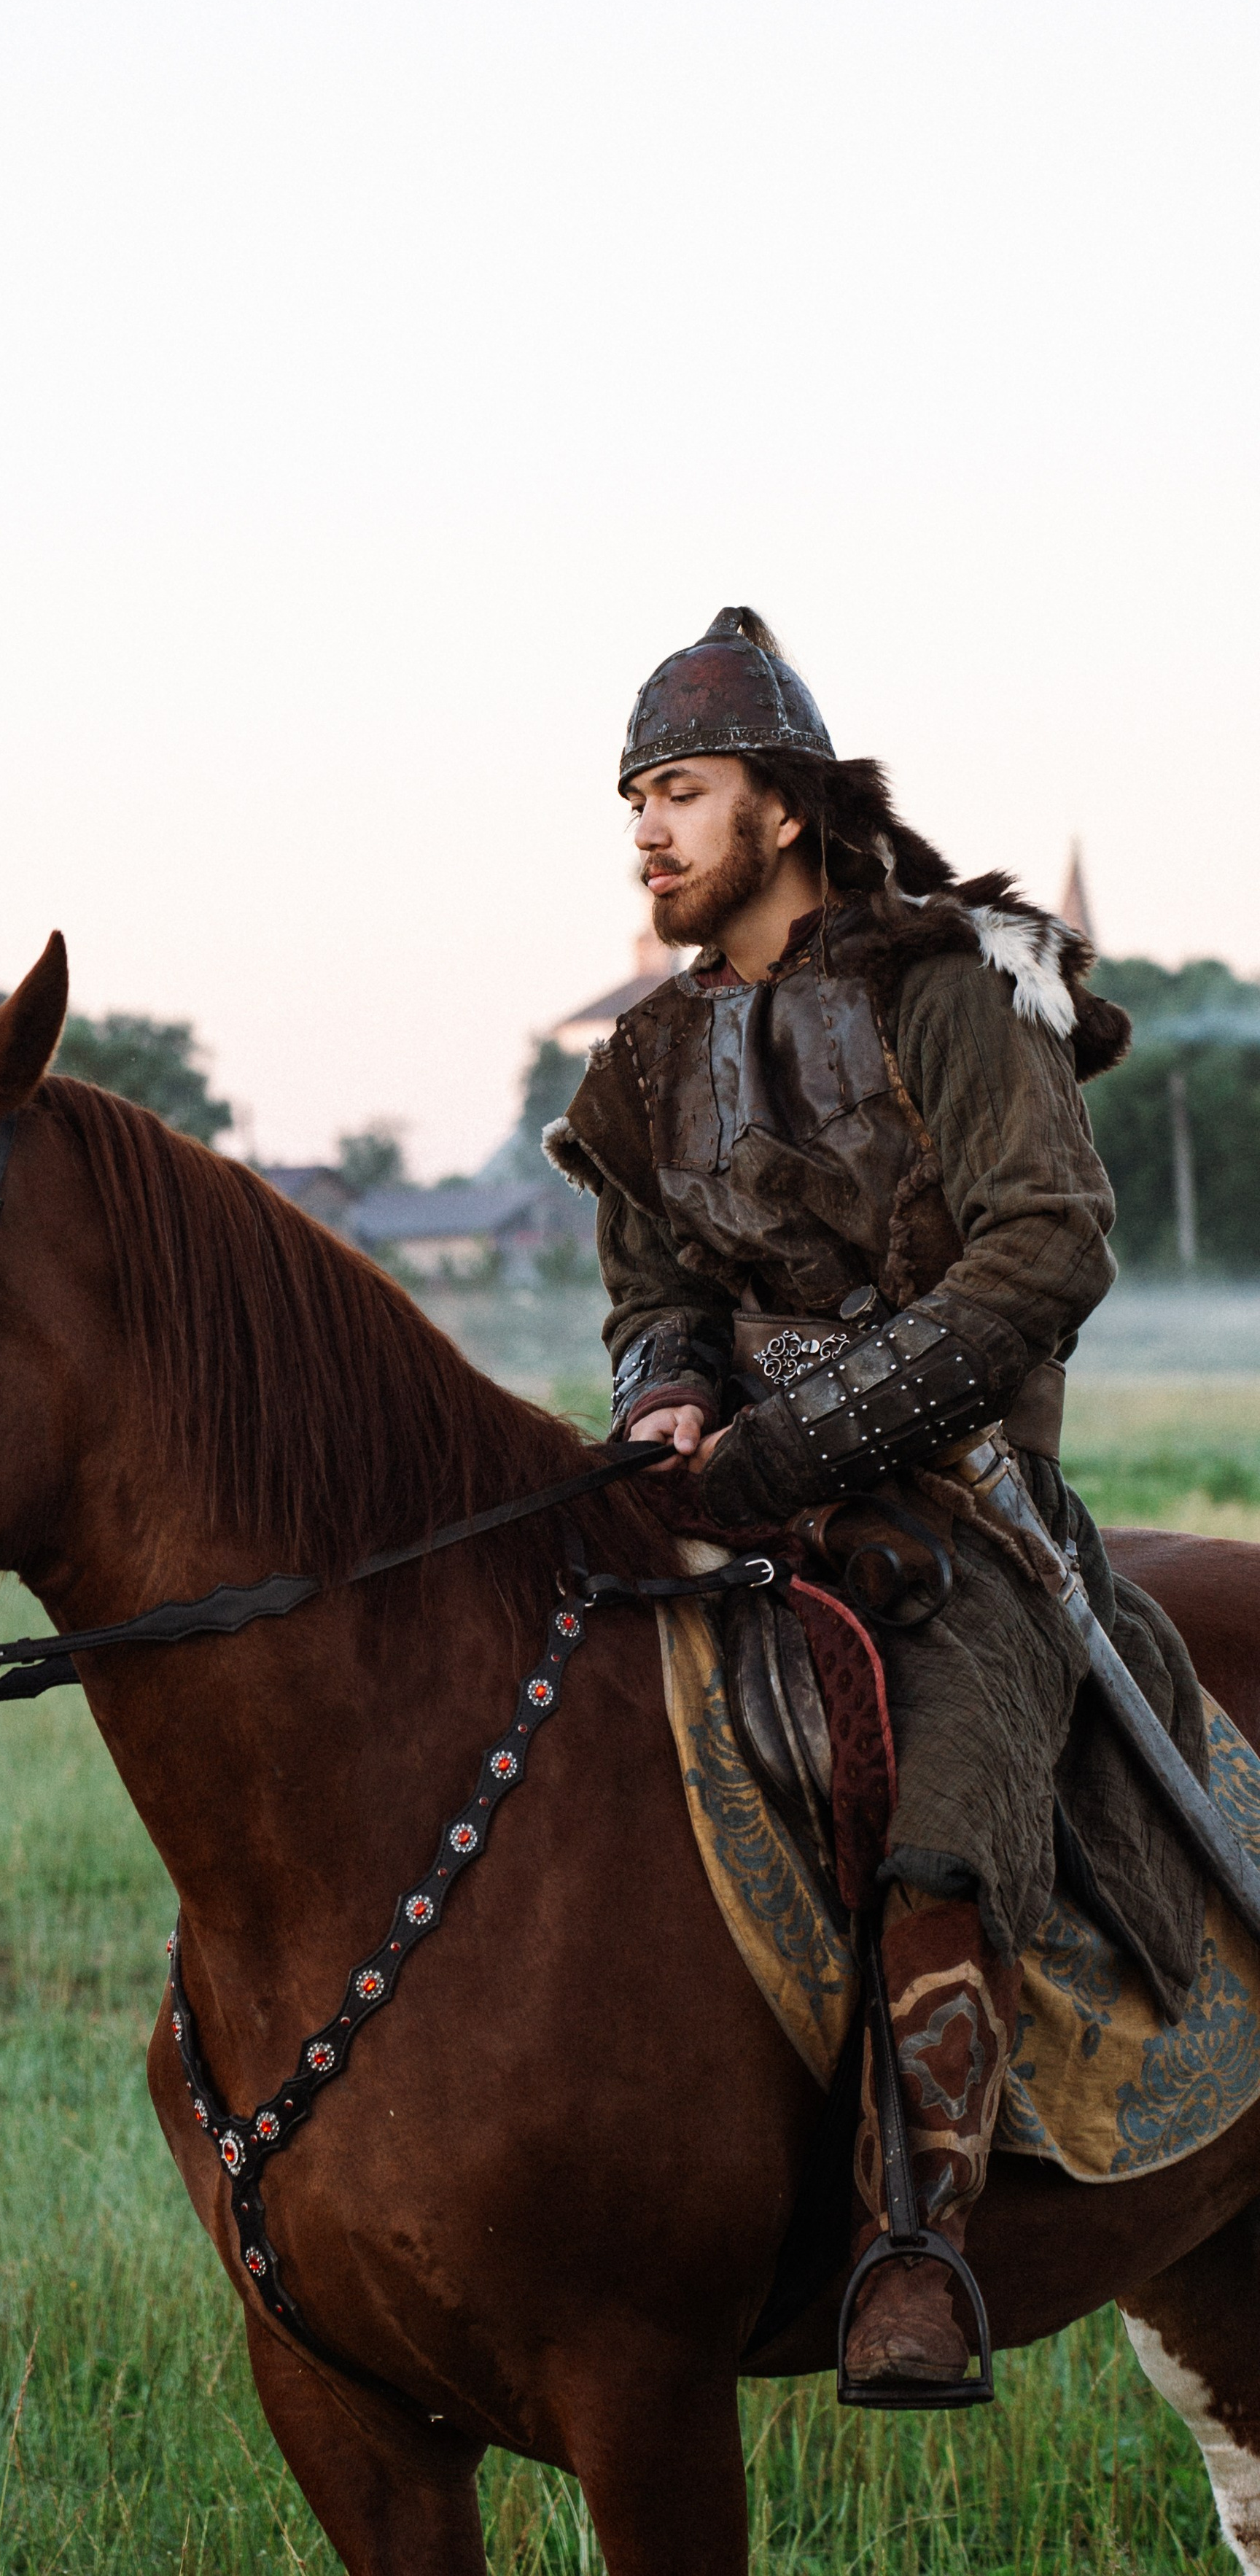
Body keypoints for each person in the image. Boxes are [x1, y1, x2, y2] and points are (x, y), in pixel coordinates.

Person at [545, 606, 1204, 2391]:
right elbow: (651, 1297)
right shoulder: (642, 1060)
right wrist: (667, 1401)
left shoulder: (955, 985)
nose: (647, 830)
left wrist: (794, 1446)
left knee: (942, 1803)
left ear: (781, 807)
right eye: (634, 801)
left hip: (960, 1511)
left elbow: (1041, 1251)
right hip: (725, 1504)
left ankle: (913, 2241)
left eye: (681, 791)